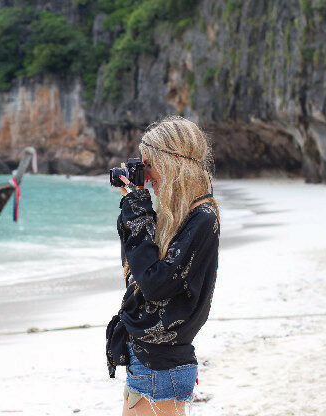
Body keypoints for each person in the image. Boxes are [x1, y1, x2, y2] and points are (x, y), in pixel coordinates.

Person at [106, 116, 220, 416]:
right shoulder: (178, 219)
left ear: (172, 162)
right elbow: (136, 271)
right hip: (148, 359)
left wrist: (140, 210)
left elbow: (156, 285)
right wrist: (132, 207)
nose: (147, 175)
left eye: (149, 164)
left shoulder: (202, 219)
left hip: (161, 366)